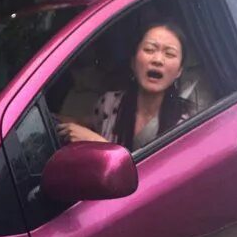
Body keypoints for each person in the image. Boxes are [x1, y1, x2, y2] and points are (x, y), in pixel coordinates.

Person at [57, 22, 192, 152]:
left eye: (169, 54)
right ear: (133, 62)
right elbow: (86, 124)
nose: (157, 60)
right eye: (149, 49)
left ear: (179, 71)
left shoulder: (185, 126)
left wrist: (97, 142)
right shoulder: (109, 103)